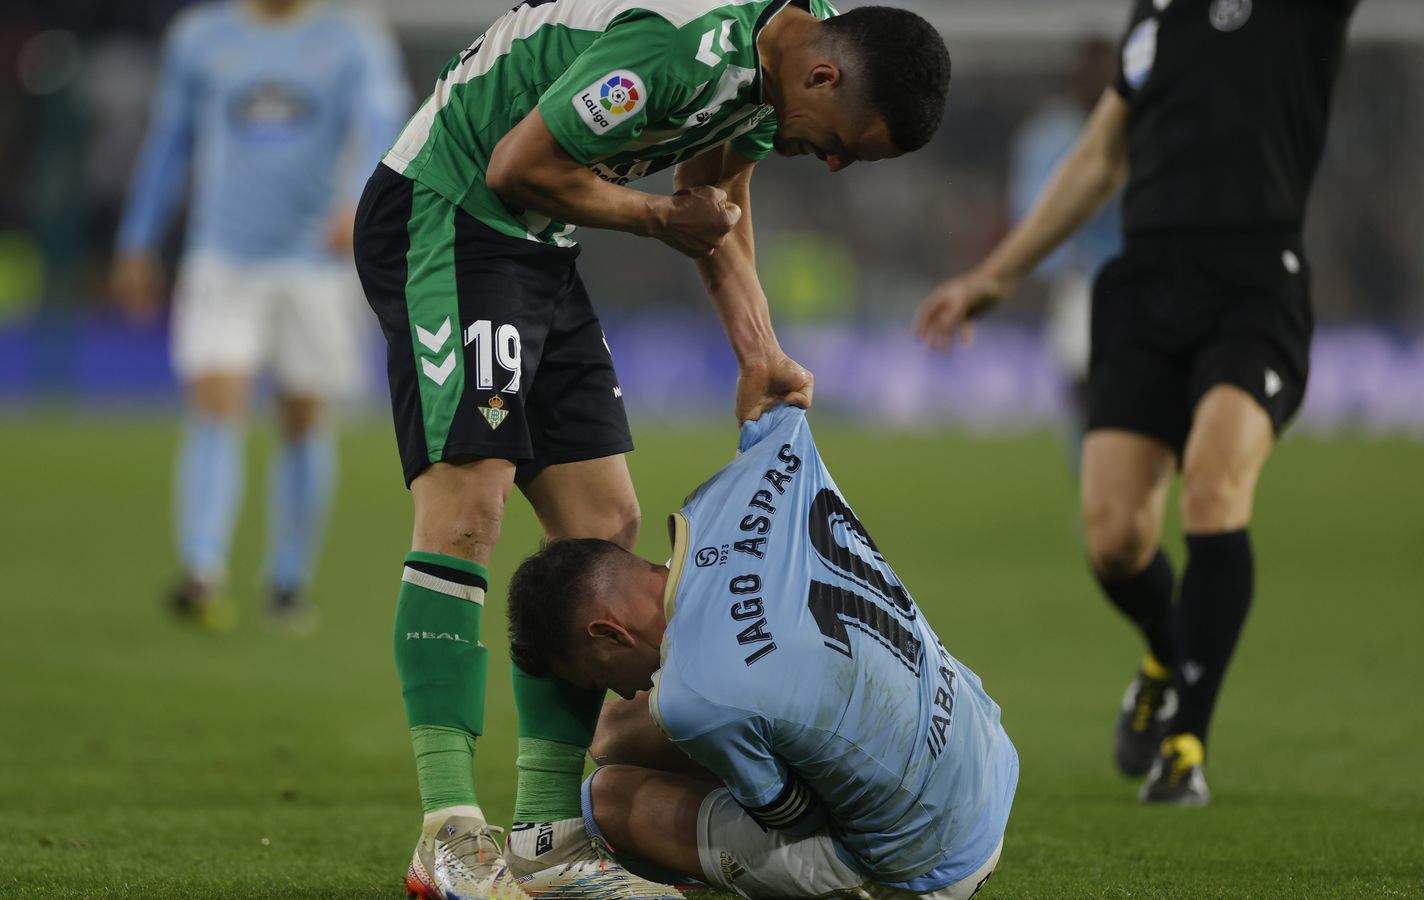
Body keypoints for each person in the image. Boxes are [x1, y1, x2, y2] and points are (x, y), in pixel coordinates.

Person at [352, 1, 950, 897]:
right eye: (842, 143)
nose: (829, 160)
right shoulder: (676, 49)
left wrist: (759, 352)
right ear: (824, 76)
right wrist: (653, 216)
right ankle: (447, 830)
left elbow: (719, 198)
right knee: (468, 503)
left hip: (532, 242)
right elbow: (522, 164)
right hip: (449, 209)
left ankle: (548, 837)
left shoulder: (777, 68)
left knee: (603, 521)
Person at [914, 0, 1357, 805]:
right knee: (1115, 538)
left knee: (1216, 491)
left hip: (1253, 288)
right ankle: (1165, 648)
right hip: (1145, 288)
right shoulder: (1153, 16)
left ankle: (1186, 741)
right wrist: (996, 276)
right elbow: (1096, 160)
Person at [504, 405, 1017, 899]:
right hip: (987, 754)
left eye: (600, 677)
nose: (623, 689)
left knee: (608, 796)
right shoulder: (740, 482)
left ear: (608, 634)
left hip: (931, 867)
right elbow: (784, 407)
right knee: (616, 731)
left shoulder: (695, 697)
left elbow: (795, 819)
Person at [113, 0, 410, 630]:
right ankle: (201, 571)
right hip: (222, 257)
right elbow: (170, 141)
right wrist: (137, 239)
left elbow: (384, 125)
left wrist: (360, 200)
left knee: (303, 418)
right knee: (215, 400)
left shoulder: (353, 39)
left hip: (314, 263)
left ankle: (286, 581)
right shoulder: (200, 36)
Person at [1007, 37, 1120, 460]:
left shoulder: (1141, 123)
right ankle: (1090, 472)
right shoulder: (1047, 136)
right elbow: (1030, 210)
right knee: (1082, 384)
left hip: (1142, 274)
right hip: (1081, 277)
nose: (1095, 81)